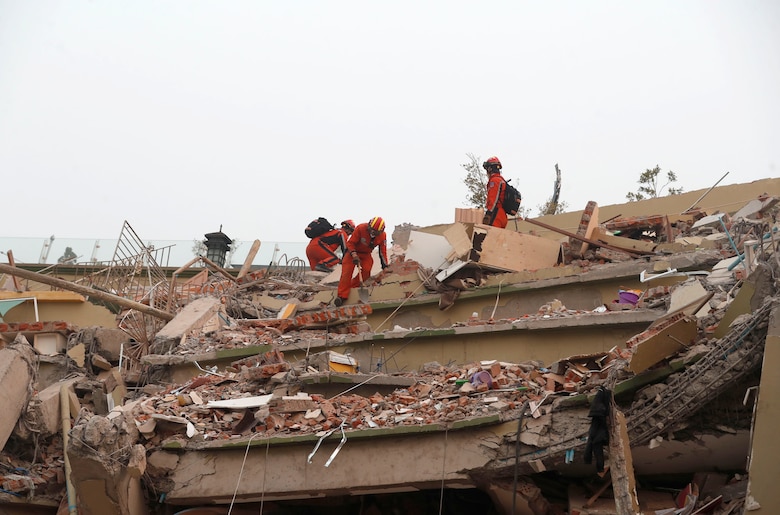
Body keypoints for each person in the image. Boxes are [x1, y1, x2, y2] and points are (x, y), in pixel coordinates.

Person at [334, 216, 389, 306]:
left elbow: (383, 251)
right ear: (369, 226)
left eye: (375, 232)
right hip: (351, 252)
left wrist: (385, 266)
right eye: (371, 230)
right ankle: (341, 296)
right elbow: (350, 243)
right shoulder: (360, 228)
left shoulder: (382, 236)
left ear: (380, 231)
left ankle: (352, 288)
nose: (372, 233)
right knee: (346, 273)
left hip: (366, 254)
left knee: (366, 271)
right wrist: (354, 255)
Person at [482, 156, 508, 229]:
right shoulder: (502, 180)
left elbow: (493, 198)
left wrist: (488, 214)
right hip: (502, 216)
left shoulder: (495, 181)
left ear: (490, 169)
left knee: (490, 236)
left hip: (496, 214)